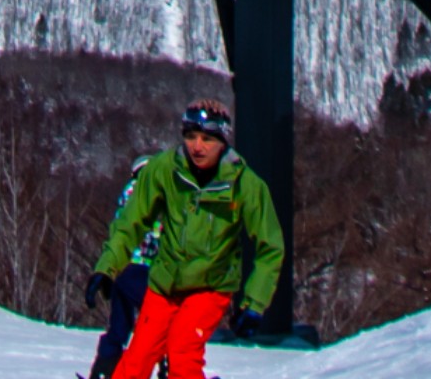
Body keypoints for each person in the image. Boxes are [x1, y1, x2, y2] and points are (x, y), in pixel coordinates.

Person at [90, 102, 284, 379]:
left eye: (207, 139)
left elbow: (270, 246)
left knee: (182, 349)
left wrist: (254, 303)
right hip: (165, 282)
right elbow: (130, 222)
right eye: (191, 137)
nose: (197, 147)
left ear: (222, 141)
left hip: (210, 285)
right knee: (137, 358)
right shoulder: (164, 170)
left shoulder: (244, 184)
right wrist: (106, 268)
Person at [83, 153, 162, 379]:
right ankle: (173, 371)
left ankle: (103, 371)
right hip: (143, 267)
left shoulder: (128, 191)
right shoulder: (148, 193)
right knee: (160, 322)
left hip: (121, 269)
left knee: (120, 325)